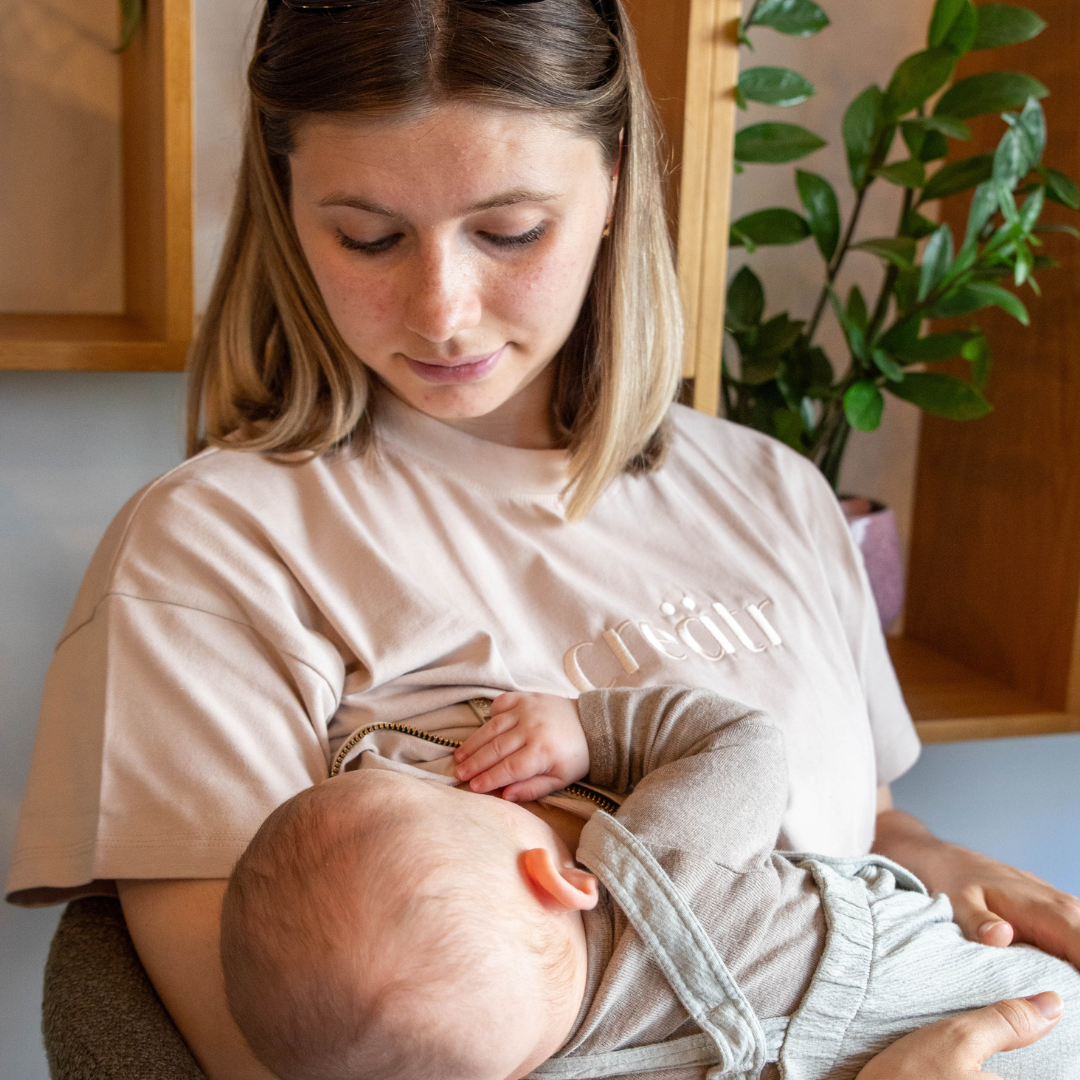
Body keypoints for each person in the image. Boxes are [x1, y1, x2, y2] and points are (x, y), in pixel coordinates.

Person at [4, 1, 1078, 1077]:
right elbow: (296, 1058)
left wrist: (926, 856)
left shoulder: (775, 489)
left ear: (613, 181)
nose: (441, 310)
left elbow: (857, 817)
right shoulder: (217, 549)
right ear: (286, 208)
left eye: (510, 232)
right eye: (366, 235)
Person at [219, 687, 1080, 1080]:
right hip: (1011, 995)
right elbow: (744, 740)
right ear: (558, 879)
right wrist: (588, 729)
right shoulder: (664, 862)